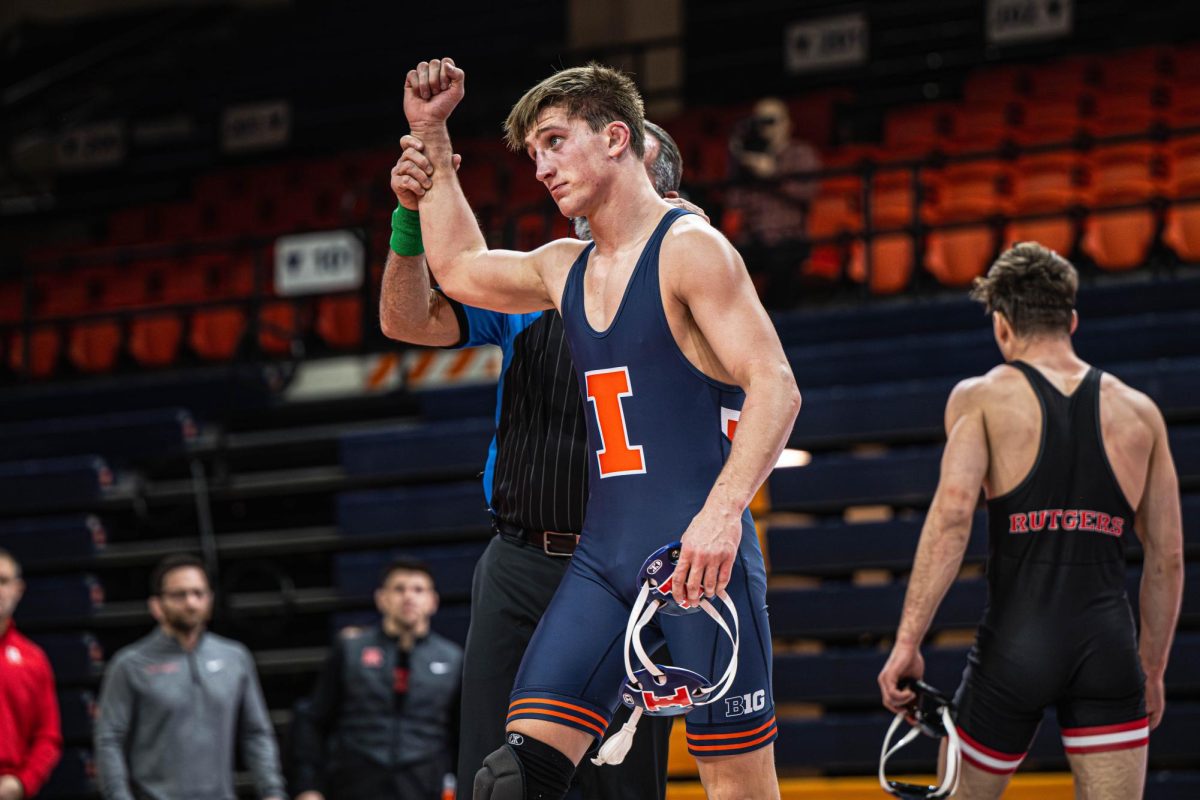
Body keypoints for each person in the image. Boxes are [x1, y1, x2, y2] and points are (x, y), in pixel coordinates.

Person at [402, 58, 801, 800]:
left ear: (617, 137)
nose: (543, 168)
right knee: (510, 779)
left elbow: (777, 387)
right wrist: (430, 132)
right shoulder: (564, 267)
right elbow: (456, 268)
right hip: (602, 564)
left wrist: (721, 515)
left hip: (700, 567)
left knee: (738, 789)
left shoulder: (692, 249)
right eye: (534, 155)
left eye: (555, 142)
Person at [382, 118, 702, 800]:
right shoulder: (536, 281)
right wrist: (410, 222)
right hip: (523, 561)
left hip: (632, 569)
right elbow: (408, 320)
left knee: (621, 784)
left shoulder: (691, 277)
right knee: (494, 780)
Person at [877, 242, 1185, 800]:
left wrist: (907, 642)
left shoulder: (981, 399)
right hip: (1107, 650)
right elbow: (1167, 558)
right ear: (1071, 320)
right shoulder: (1141, 413)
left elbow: (950, 522)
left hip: (1015, 649)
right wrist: (1153, 670)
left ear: (1001, 326)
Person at [94, 554, 287, 800]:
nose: (191, 603)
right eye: (179, 595)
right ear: (156, 605)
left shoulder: (235, 658)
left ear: (210, 599)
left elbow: (256, 733)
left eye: (198, 593)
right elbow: (109, 740)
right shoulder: (130, 665)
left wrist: (272, 791)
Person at [290, 558, 462, 800]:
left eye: (418, 589)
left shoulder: (453, 659)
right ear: (381, 598)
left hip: (423, 784)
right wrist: (309, 786)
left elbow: (461, 734)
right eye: (399, 589)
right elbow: (312, 720)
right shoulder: (351, 650)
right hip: (355, 783)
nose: (409, 597)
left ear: (433, 601)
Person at [725, 97, 822, 307]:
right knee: (722, 263)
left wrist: (773, 174)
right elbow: (733, 201)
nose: (765, 127)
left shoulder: (801, 153)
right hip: (754, 239)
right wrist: (738, 162)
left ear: (787, 124)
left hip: (789, 238)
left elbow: (808, 192)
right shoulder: (748, 161)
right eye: (760, 121)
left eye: (771, 120)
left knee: (781, 266)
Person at [0, 549, 61, 800]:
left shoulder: (33, 659)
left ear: (18, 589)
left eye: (3, 581)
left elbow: (48, 735)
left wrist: (21, 783)